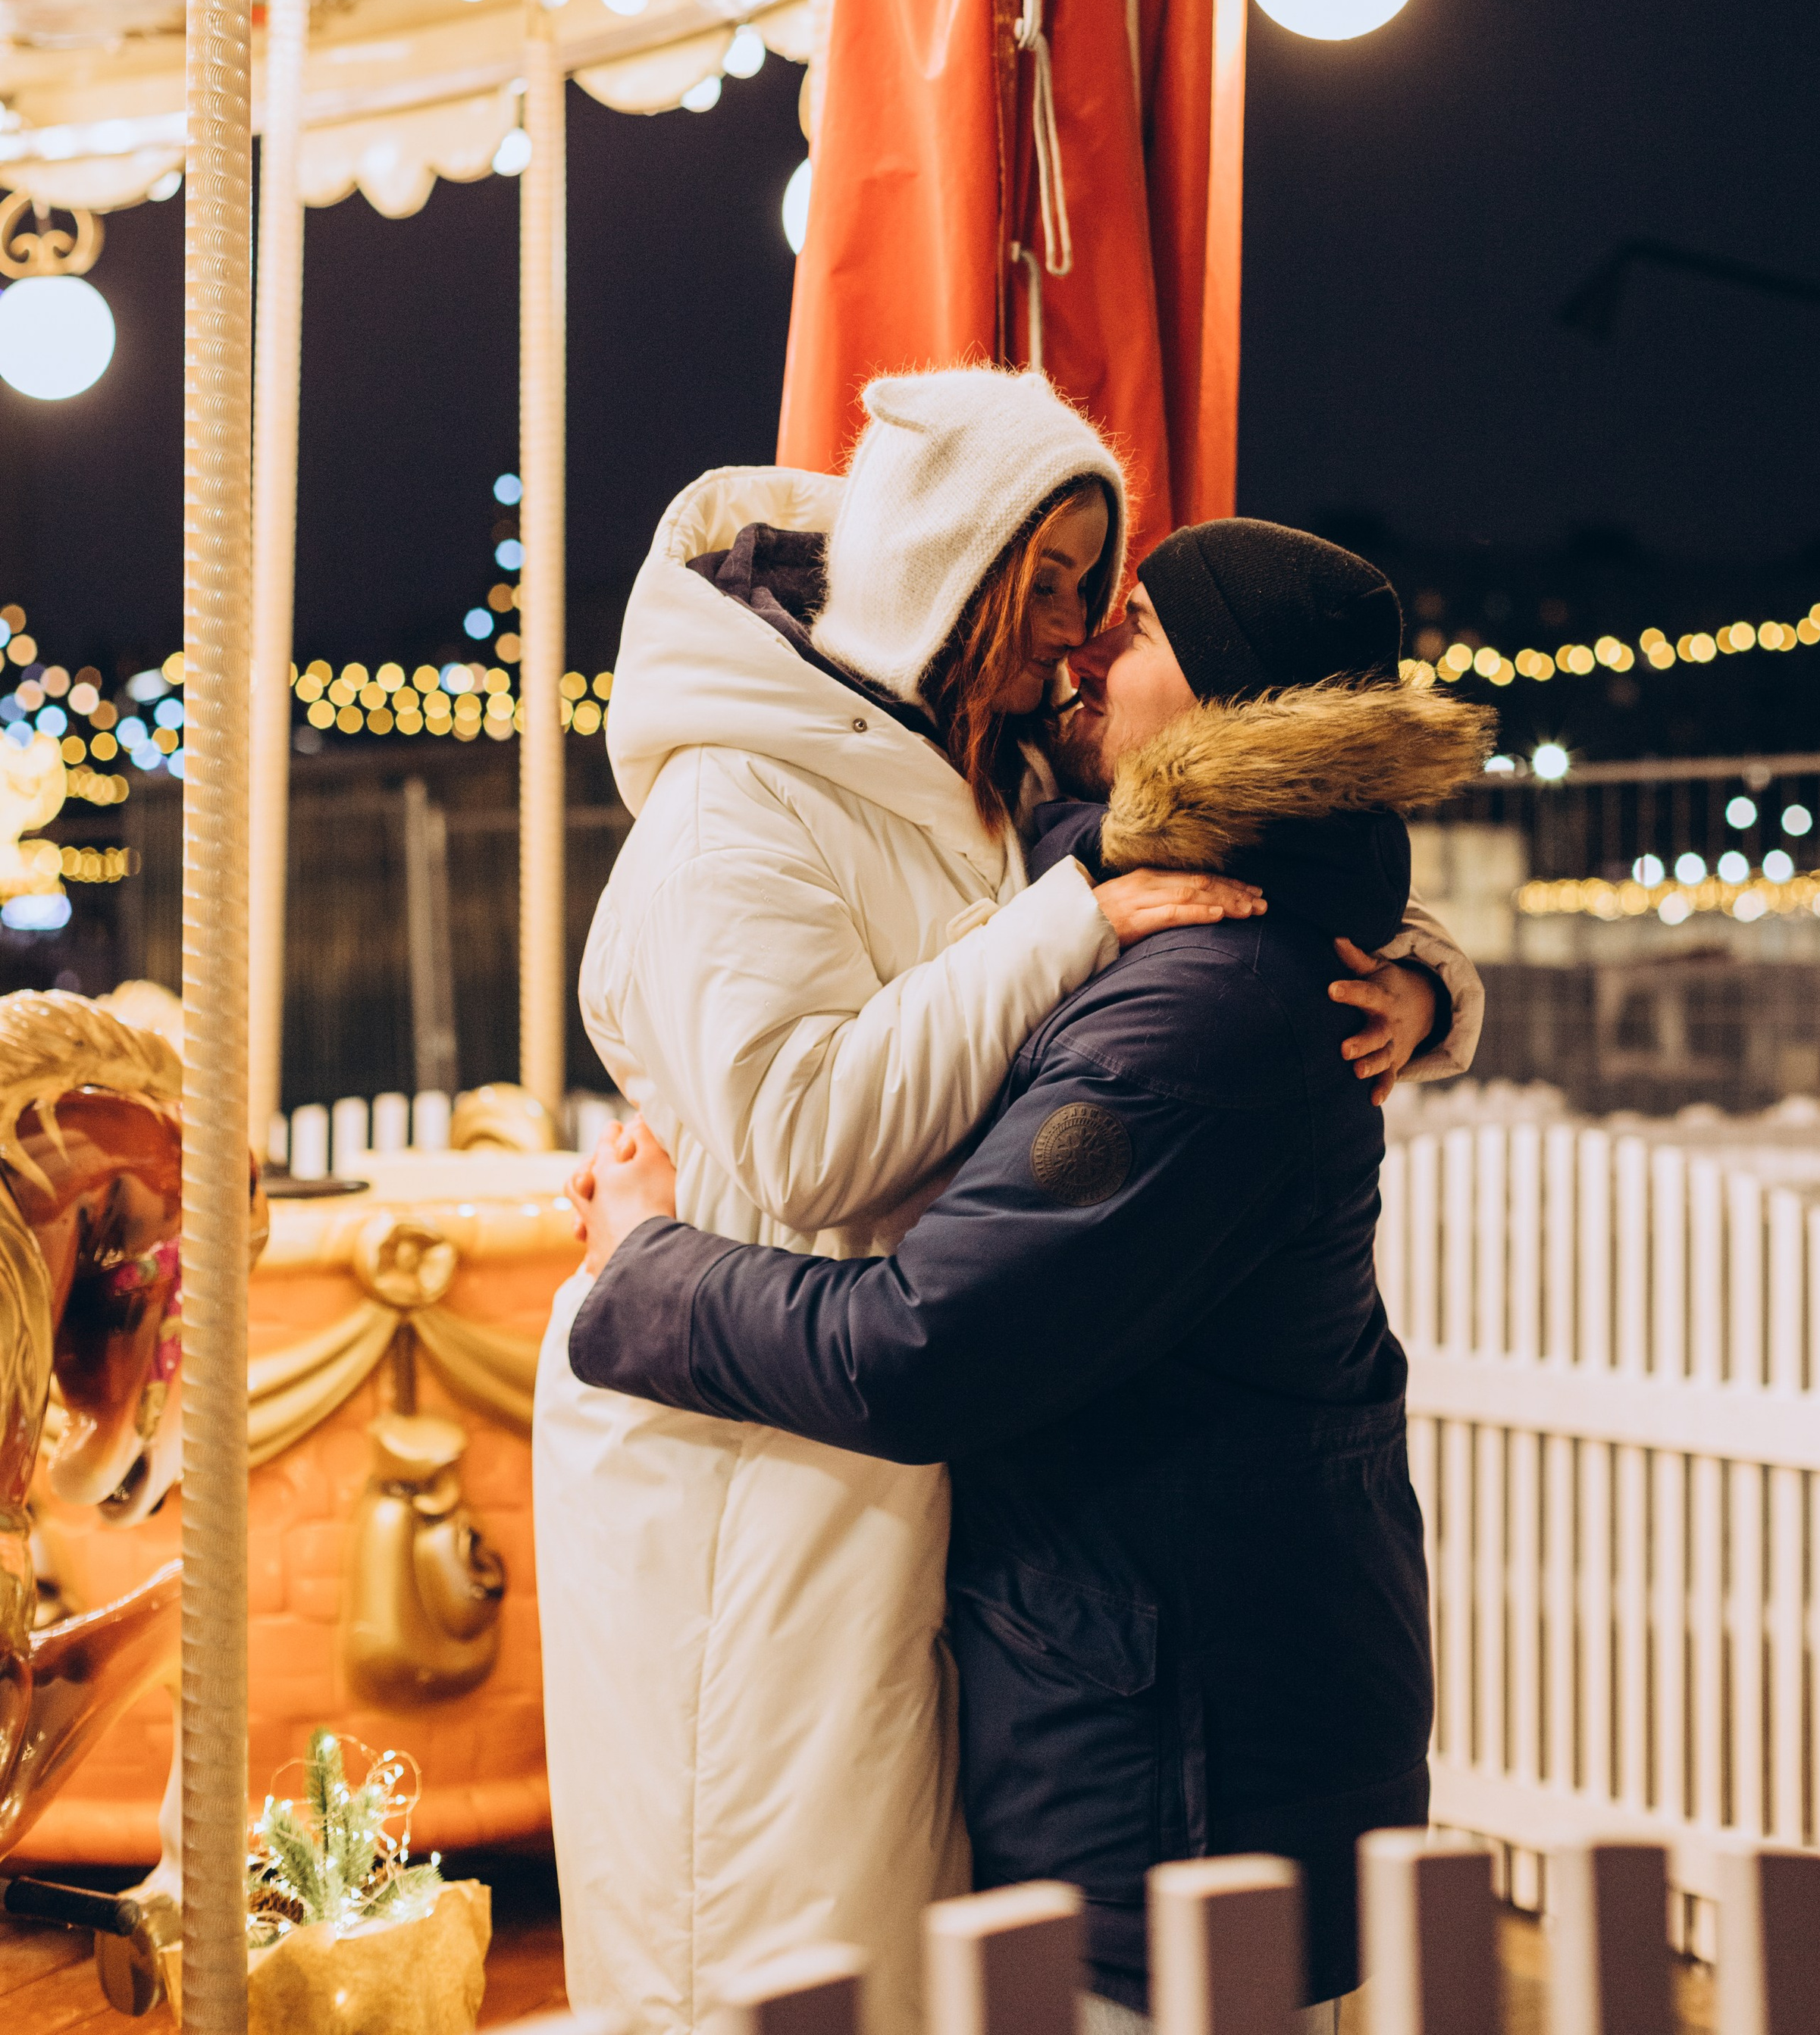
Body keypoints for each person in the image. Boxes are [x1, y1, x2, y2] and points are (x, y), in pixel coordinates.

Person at [535, 375, 1480, 2035]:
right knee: (742, 1927)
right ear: (945, 566)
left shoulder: (1035, 821)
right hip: (760, 1447)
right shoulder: (750, 803)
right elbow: (813, 1139)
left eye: (1108, 599)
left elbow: (1255, 897)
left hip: (955, 1494)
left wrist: (1428, 984)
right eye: (1049, 581)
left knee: (878, 1955)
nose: (1082, 633)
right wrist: (640, 1265)